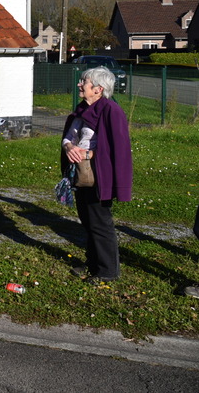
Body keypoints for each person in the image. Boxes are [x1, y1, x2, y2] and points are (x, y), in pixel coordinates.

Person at [62, 66, 133, 283]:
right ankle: (93, 262)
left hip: (99, 175)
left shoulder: (111, 110)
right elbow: (69, 136)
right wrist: (68, 148)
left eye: (84, 81)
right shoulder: (82, 108)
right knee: (87, 219)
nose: (79, 85)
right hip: (81, 173)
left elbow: (118, 147)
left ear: (98, 89)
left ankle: (108, 271)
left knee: (100, 222)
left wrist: (90, 152)